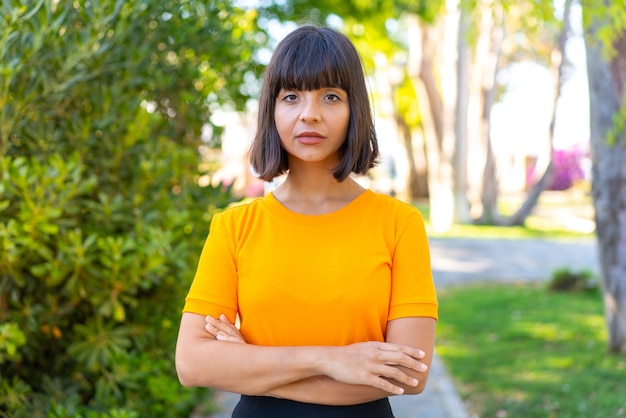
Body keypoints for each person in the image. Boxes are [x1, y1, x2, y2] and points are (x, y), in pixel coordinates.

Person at [175, 25, 438, 418]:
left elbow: (407, 374)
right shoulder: (234, 227)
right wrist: (330, 360)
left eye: (330, 96)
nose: (309, 114)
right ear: (272, 110)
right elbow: (193, 364)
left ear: (355, 110)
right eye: (292, 97)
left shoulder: (399, 223)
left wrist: (250, 363)